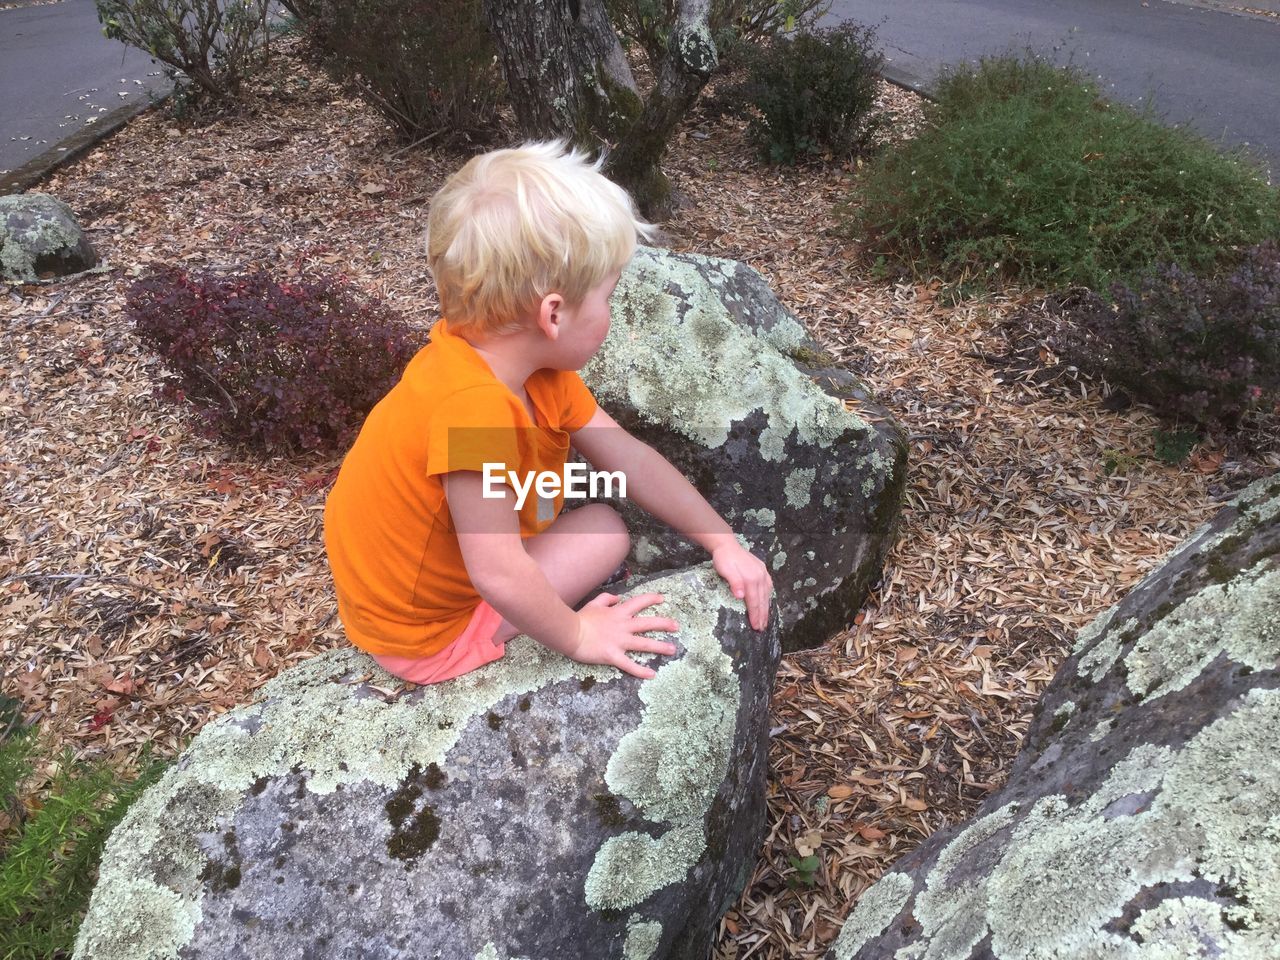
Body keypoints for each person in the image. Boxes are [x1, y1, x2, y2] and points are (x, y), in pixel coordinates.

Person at [322, 139, 772, 685]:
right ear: (553, 315)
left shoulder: (522, 372)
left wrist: (721, 540)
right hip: (427, 639)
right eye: (607, 296)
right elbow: (498, 572)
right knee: (603, 533)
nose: (610, 311)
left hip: (417, 589)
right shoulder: (475, 416)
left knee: (604, 524)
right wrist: (580, 634)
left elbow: (629, 458)